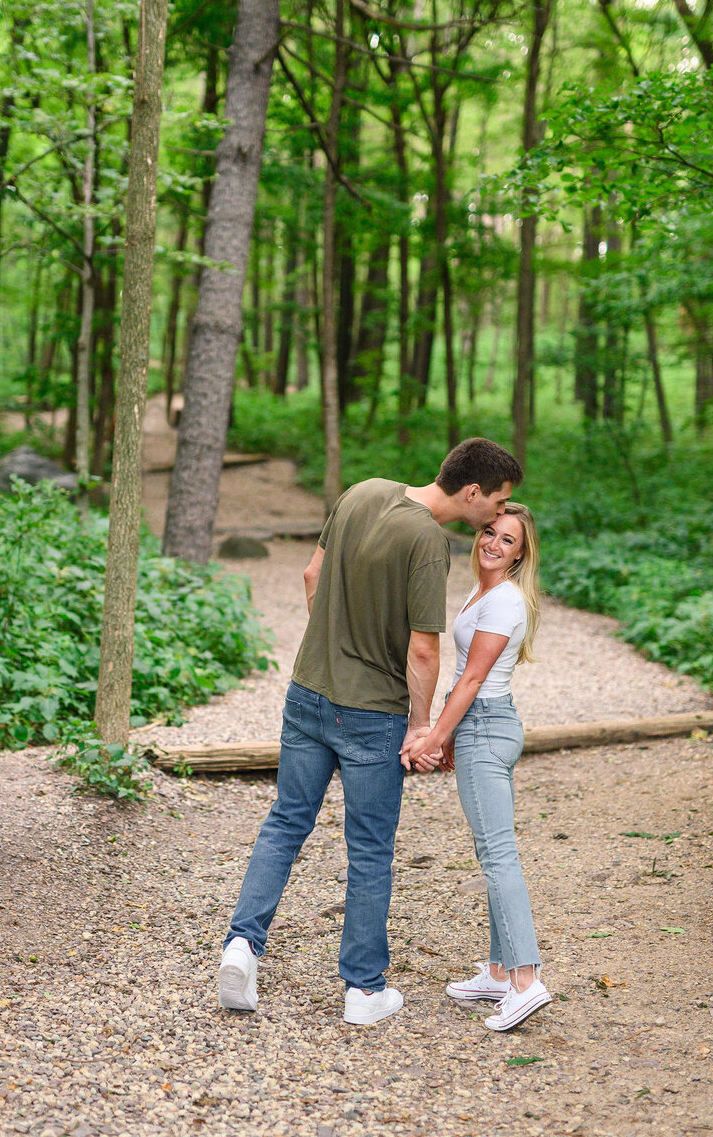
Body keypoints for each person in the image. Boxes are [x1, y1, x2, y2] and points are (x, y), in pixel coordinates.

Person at [218, 437, 523, 1025]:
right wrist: (421, 724)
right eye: (499, 501)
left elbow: (312, 576)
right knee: (369, 849)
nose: (497, 516)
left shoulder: (362, 492)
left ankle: (241, 946)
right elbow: (423, 651)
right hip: (373, 715)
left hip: (308, 694)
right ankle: (362, 990)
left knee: (285, 822)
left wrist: (336, 650)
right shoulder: (429, 542)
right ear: (472, 493)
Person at [407, 501, 551, 1032]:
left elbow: (472, 681)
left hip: (486, 725)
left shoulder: (506, 600)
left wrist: (432, 737)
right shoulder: (482, 590)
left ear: (520, 553)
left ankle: (525, 979)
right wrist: (449, 737)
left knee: (497, 853)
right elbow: (465, 675)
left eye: (507, 540)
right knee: (490, 847)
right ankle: (496, 970)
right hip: (479, 725)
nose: (493, 543)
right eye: (490, 531)